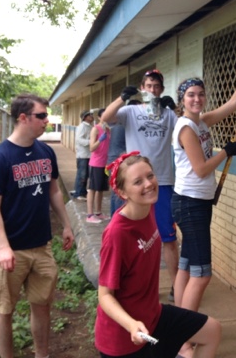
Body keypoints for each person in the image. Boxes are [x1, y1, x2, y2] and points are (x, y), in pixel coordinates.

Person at [170, 51, 236, 327]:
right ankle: (185, 335)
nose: (196, 99)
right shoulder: (186, 127)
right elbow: (201, 169)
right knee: (202, 274)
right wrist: (226, 151)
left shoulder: (200, 121)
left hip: (195, 202)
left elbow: (235, 103)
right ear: (182, 100)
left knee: (187, 265)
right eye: (190, 95)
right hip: (189, 204)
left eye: (200, 94)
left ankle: (176, 325)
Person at [95, 151, 221, 358]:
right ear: (123, 193)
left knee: (211, 331)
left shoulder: (149, 208)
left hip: (153, 316)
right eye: (138, 182)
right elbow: (105, 295)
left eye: (150, 176)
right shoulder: (117, 234)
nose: (148, 184)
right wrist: (131, 324)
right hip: (124, 337)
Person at [0, 93, 74, 358]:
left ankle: (42, 354)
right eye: (41, 116)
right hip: (10, 250)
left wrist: (66, 225)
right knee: (4, 309)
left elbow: (53, 191)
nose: (47, 121)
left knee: (42, 304)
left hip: (41, 246)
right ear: (23, 118)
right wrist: (3, 248)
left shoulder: (46, 152)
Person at [101, 70, 179, 300]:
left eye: (157, 86)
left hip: (163, 181)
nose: (153, 90)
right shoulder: (131, 111)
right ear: (142, 88)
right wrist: (122, 98)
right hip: (135, 183)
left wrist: (175, 109)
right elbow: (106, 117)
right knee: (135, 238)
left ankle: (177, 286)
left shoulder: (168, 114)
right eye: (149, 86)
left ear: (161, 89)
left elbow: (187, 127)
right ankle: (133, 288)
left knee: (168, 238)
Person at [107, 99, 141, 216]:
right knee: (122, 193)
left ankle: (114, 219)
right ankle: (120, 219)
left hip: (112, 158)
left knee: (116, 192)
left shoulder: (118, 121)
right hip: (120, 160)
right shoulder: (127, 121)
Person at [87, 108, 110, 223]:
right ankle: (89, 215)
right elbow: (91, 148)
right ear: (99, 117)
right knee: (92, 189)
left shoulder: (108, 130)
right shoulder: (95, 129)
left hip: (105, 164)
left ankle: (98, 212)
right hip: (96, 163)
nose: (107, 118)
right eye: (104, 116)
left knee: (100, 189)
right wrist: (100, 140)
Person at [73, 110, 94, 201]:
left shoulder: (90, 126)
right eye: (90, 115)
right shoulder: (82, 127)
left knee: (85, 175)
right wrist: (91, 142)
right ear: (85, 117)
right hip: (83, 155)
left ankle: (83, 192)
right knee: (82, 175)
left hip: (88, 154)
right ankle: (78, 193)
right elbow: (79, 139)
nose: (92, 117)